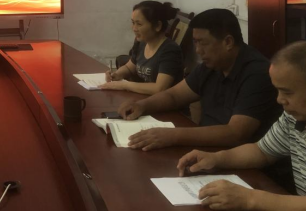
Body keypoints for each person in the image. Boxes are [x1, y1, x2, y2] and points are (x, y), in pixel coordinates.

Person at [177, 41, 306, 211]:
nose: (279, 99)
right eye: (277, 90)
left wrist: (249, 199)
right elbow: (261, 151)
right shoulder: (298, 115)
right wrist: (217, 158)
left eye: (287, 92)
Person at [117, 8, 280, 151]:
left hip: (241, 160)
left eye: (202, 43)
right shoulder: (212, 65)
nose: (198, 50)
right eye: (195, 43)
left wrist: (172, 136)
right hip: (207, 148)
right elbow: (174, 95)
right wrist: (142, 105)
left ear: (228, 42)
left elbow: (236, 133)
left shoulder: (258, 73)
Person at [101, 0, 183, 95]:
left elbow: (160, 88)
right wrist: (117, 74)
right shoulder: (141, 43)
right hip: (144, 99)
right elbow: (129, 67)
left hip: (165, 103)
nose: (134, 28)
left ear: (158, 26)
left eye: (139, 24)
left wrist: (125, 85)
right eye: (133, 23)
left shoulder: (170, 50)